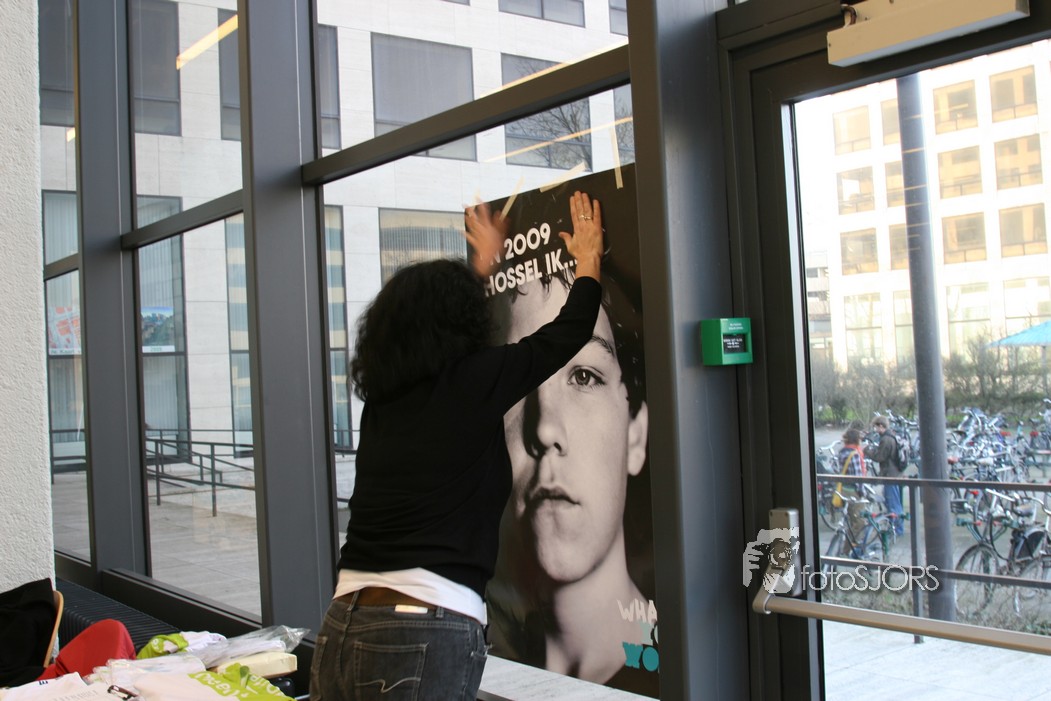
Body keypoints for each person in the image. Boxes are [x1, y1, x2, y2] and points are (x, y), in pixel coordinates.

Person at [309, 191, 605, 701]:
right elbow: (563, 335)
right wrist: (589, 261)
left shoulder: (384, 402)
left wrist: (482, 267)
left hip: (343, 621)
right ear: (461, 322)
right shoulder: (472, 382)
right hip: (421, 623)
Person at [486, 251, 656, 696]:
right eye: (519, 381)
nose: (545, 429)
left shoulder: (675, 661)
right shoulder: (487, 653)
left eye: (583, 377)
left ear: (635, 434)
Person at [865, 416, 905, 535]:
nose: (875, 429)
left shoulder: (886, 440)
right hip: (896, 473)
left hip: (890, 475)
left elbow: (879, 457)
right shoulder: (891, 436)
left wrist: (867, 451)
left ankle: (897, 529)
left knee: (893, 503)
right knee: (893, 501)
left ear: (881, 426)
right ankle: (896, 527)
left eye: (876, 427)